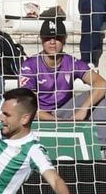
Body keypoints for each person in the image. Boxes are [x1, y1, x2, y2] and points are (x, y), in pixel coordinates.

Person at [20, 18, 106, 146]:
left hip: (65, 111)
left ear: (64, 39)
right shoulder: (29, 66)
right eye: (47, 38)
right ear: (41, 40)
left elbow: (101, 84)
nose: (52, 42)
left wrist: (83, 109)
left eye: (58, 38)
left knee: (102, 96)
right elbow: (29, 107)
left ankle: (101, 147)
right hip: (40, 117)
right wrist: (58, 122)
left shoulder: (71, 62)